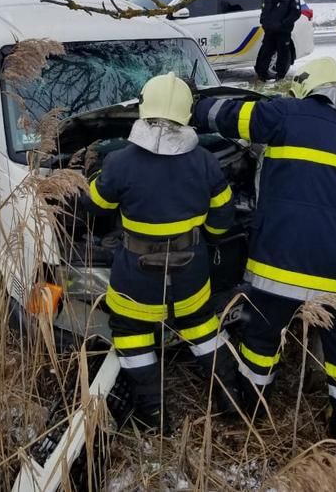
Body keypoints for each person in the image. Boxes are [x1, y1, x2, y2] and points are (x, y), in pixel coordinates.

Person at [193, 58, 336, 445]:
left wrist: (194, 105)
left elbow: (227, 116)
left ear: (307, 88)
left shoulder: (286, 113)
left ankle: (250, 412)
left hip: (278, 265)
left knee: (261, 341)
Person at [86, 72, 241, 433]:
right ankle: (231, 399)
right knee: (202, 327)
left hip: (136, 277)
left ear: (144, 109)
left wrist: (93, 176)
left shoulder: (120, 162)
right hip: (191, 273)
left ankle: (155, 415)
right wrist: (206, 236)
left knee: (131, 333)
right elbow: (223, 220)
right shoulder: (206, 161)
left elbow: (95, 205)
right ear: (186, 113)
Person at [254, 0, 302, 82]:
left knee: (282, 55)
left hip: (283, 32)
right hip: (269, 31)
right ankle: (261, 76)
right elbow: (264, 9)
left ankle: (280, 77)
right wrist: (263, 21)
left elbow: (296, 13)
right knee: (265, 53)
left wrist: (283, 24)